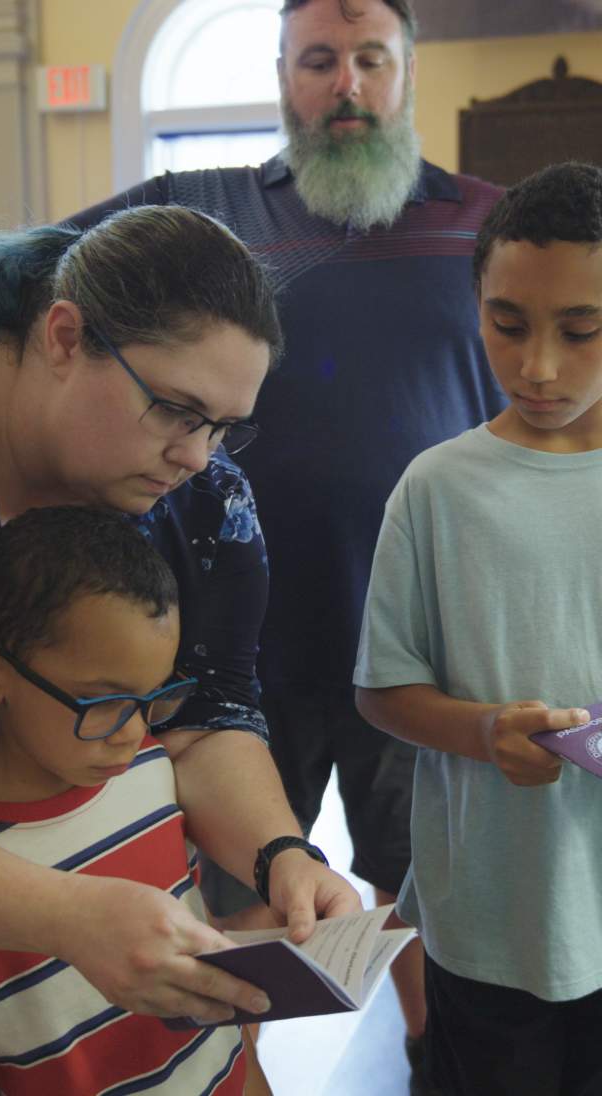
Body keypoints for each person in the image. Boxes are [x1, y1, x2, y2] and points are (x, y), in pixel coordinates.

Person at [69, 2, 505, 1088]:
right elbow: (39, 272)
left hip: (424, 651)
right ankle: (232, 1071)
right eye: (319, 60)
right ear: (281, 75)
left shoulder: (491, 228)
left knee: (429, 901)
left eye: (369, 59)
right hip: (235, 657)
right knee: (234, 911)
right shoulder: (202, 213)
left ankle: (430, 1061)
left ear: (407, 68)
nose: (345, 85)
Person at [0, 204, 360, 1032]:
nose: (196, 456)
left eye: (223, 426)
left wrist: (280, 853)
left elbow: (209, 710)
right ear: (66, 337)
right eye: (178, 411)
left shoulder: (207, 504)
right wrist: (65, 914)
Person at [354, 160, 602, 1096]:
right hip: (491, 918)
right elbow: (380, 687)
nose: (540, 366)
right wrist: (481, 733)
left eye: (582, 330)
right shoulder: (437, 487)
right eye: (508, 325)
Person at [0, 504, 276, 1096]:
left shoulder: (151, 773)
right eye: (101, 701)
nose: (134, 733)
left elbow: (219, 1036)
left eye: (155, 696)